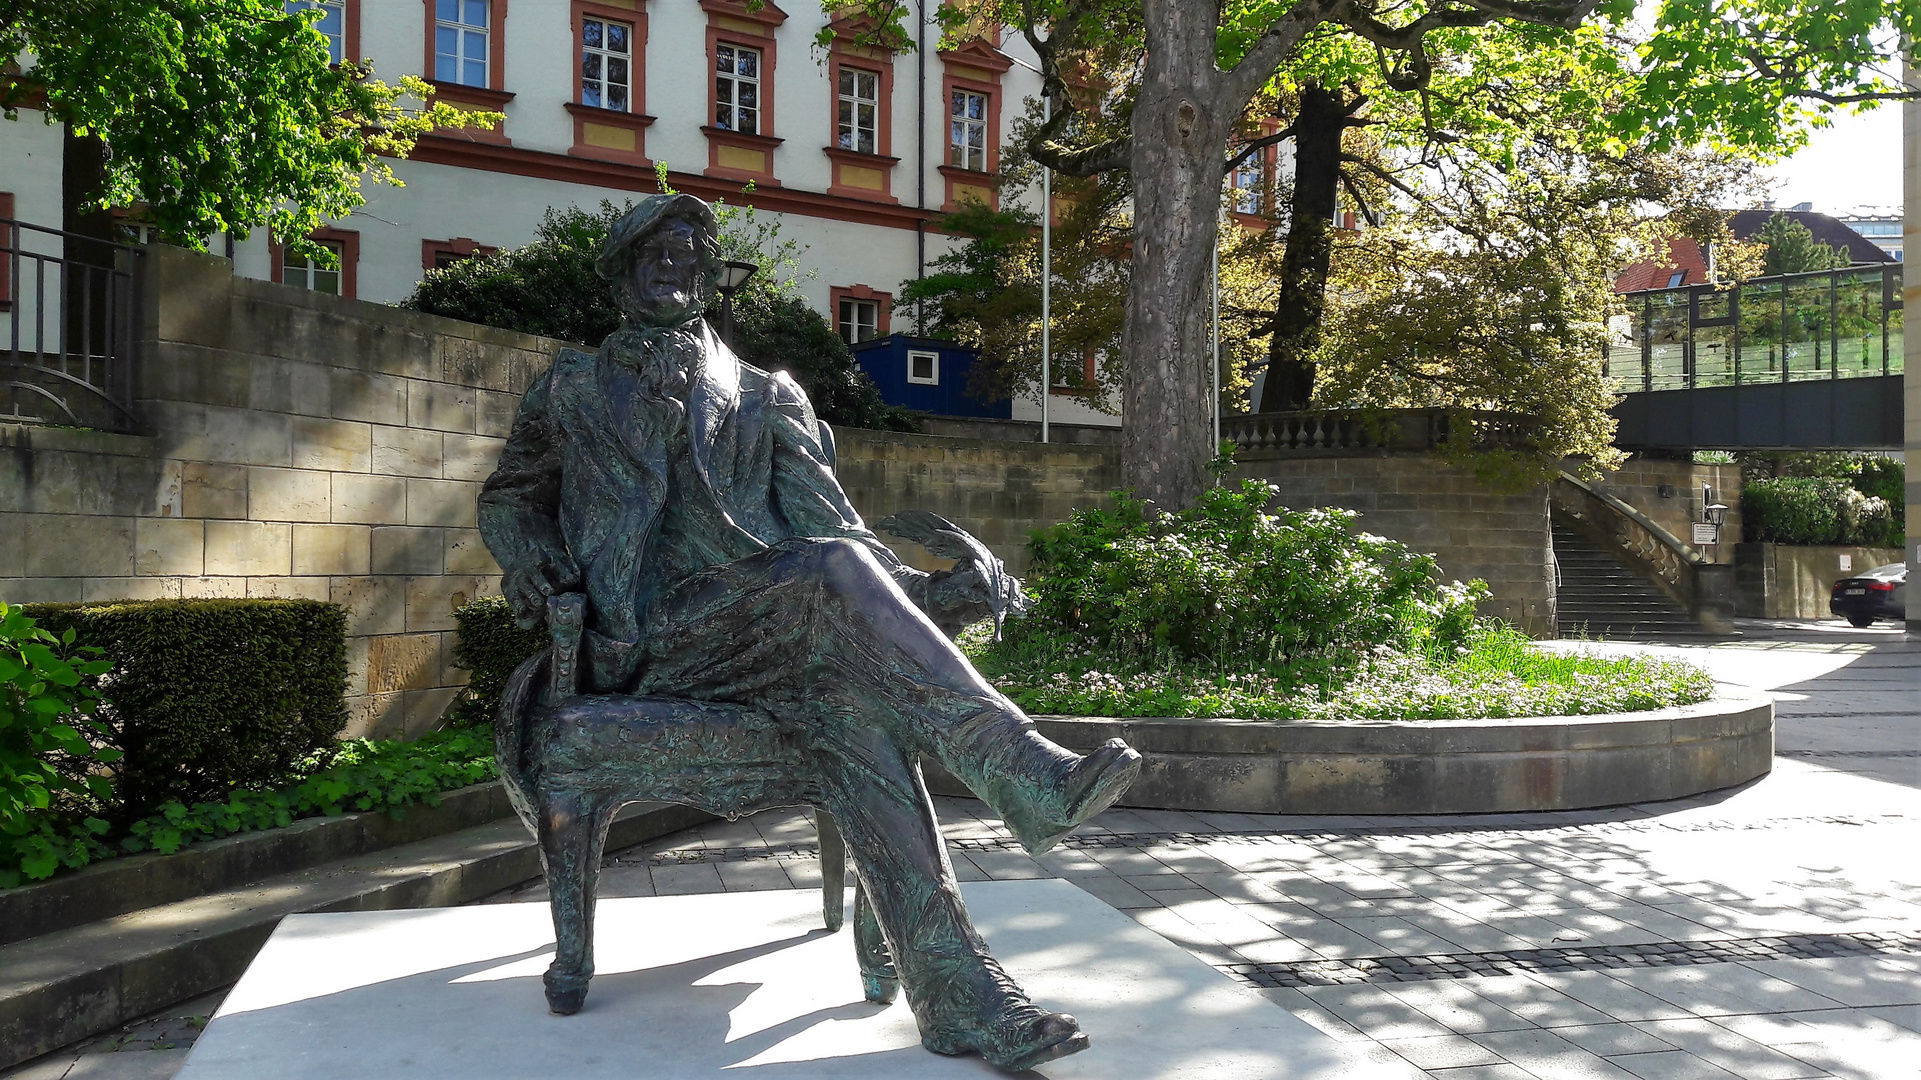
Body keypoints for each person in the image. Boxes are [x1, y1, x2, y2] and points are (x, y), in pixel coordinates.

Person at [478, 193, 1140, 1072]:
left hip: (772, 638)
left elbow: (843, 537)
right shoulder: (569, 387)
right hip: (648, 640)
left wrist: (939, 597)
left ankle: (959, 996)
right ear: (618, 277)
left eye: (685, 258)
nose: (669, 270)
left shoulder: (764, 392)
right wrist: (527, 559)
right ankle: (1020, 767)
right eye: (649, 258)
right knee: (826, 574)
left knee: (853, 717)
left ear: (710, 279)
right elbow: (511, 496)